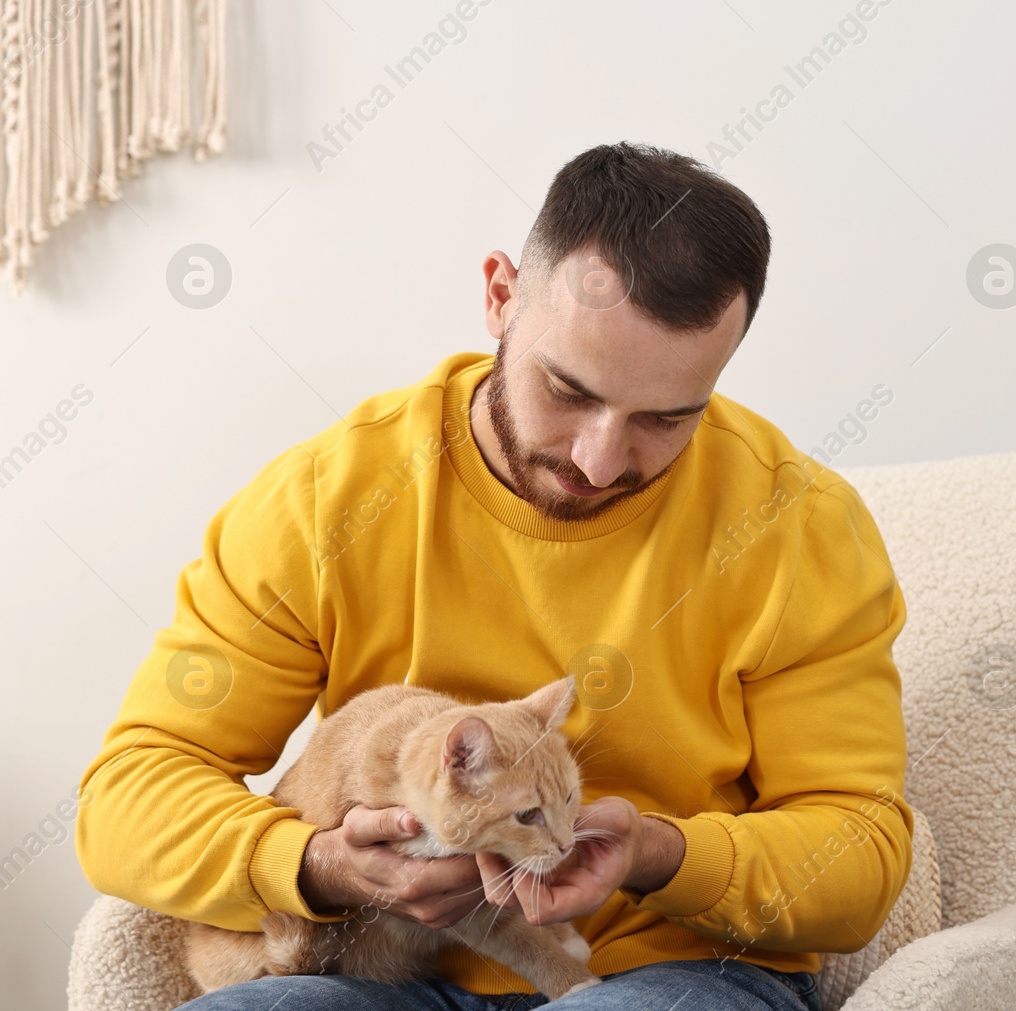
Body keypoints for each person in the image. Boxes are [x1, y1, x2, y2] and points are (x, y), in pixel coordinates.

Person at [74, 142, 914, 1011]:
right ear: (500, 296)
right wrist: (322, 865)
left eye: (665, 420)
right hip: (388, 972)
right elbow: (127, 798)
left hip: (667, 975)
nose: (599, 459)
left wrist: (661, 854)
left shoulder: (801, 527)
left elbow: (862, 854)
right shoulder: (327, 500)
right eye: (569, 390)